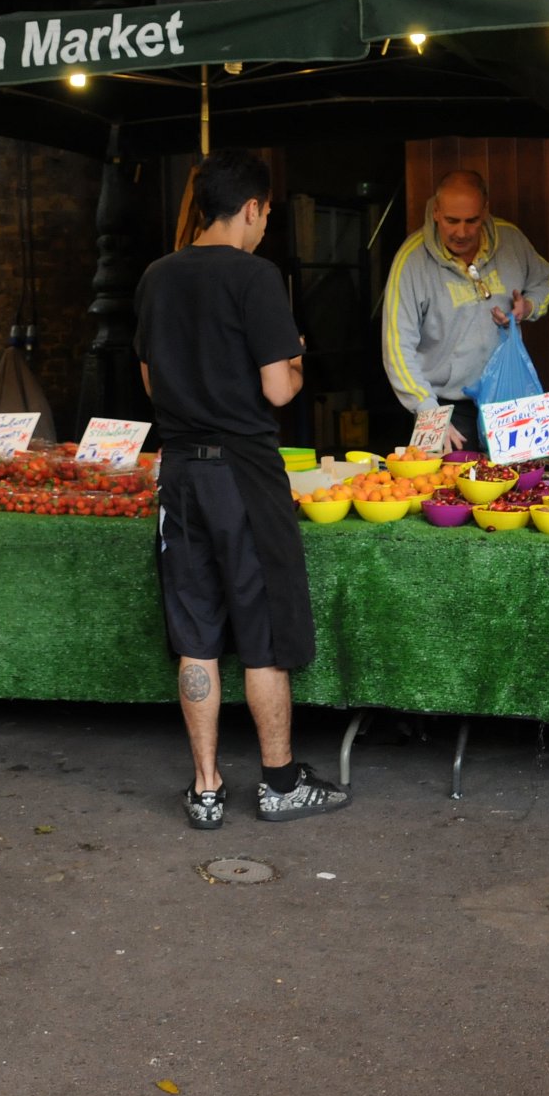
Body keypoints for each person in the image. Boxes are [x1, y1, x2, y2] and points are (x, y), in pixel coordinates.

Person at [134, 148, 350, 828]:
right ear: (252, 208)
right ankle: (280, 782)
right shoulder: (255, 278)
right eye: (265, 216)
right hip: (245, 475)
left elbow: (149, 382)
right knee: (261, 634)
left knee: (196, 634)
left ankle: (205, 787)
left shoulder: (155, 277)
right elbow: (278, 387)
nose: (264, 228)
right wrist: (296, 355)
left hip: (181, 475)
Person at [380, 170, 549, 452]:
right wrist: (428, 411)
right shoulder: (410, 260)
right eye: (452, 221)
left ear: (485, 211)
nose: (461, 232)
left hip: (510, 399)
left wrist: (528, 306)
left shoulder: (512, 240)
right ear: (436, 212)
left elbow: (543, 281)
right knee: (449, 491)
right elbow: (397, 348)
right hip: (443, 405)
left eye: (471, 221)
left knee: (524, 488)